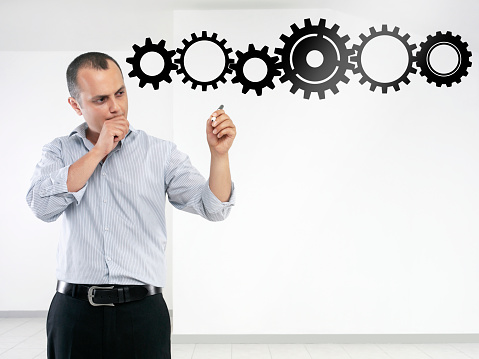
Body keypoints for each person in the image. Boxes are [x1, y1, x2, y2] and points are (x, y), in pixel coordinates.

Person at [25, 52, 236, 358]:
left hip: (142, 313)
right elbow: (41, 206)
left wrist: (219, 155)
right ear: (75, 105)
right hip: (73, 312)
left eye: (120, 93)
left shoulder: (160, 153)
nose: (115, 107)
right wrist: (98, 152)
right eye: (100, 99)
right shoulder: (59, 151)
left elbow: (214, 208)